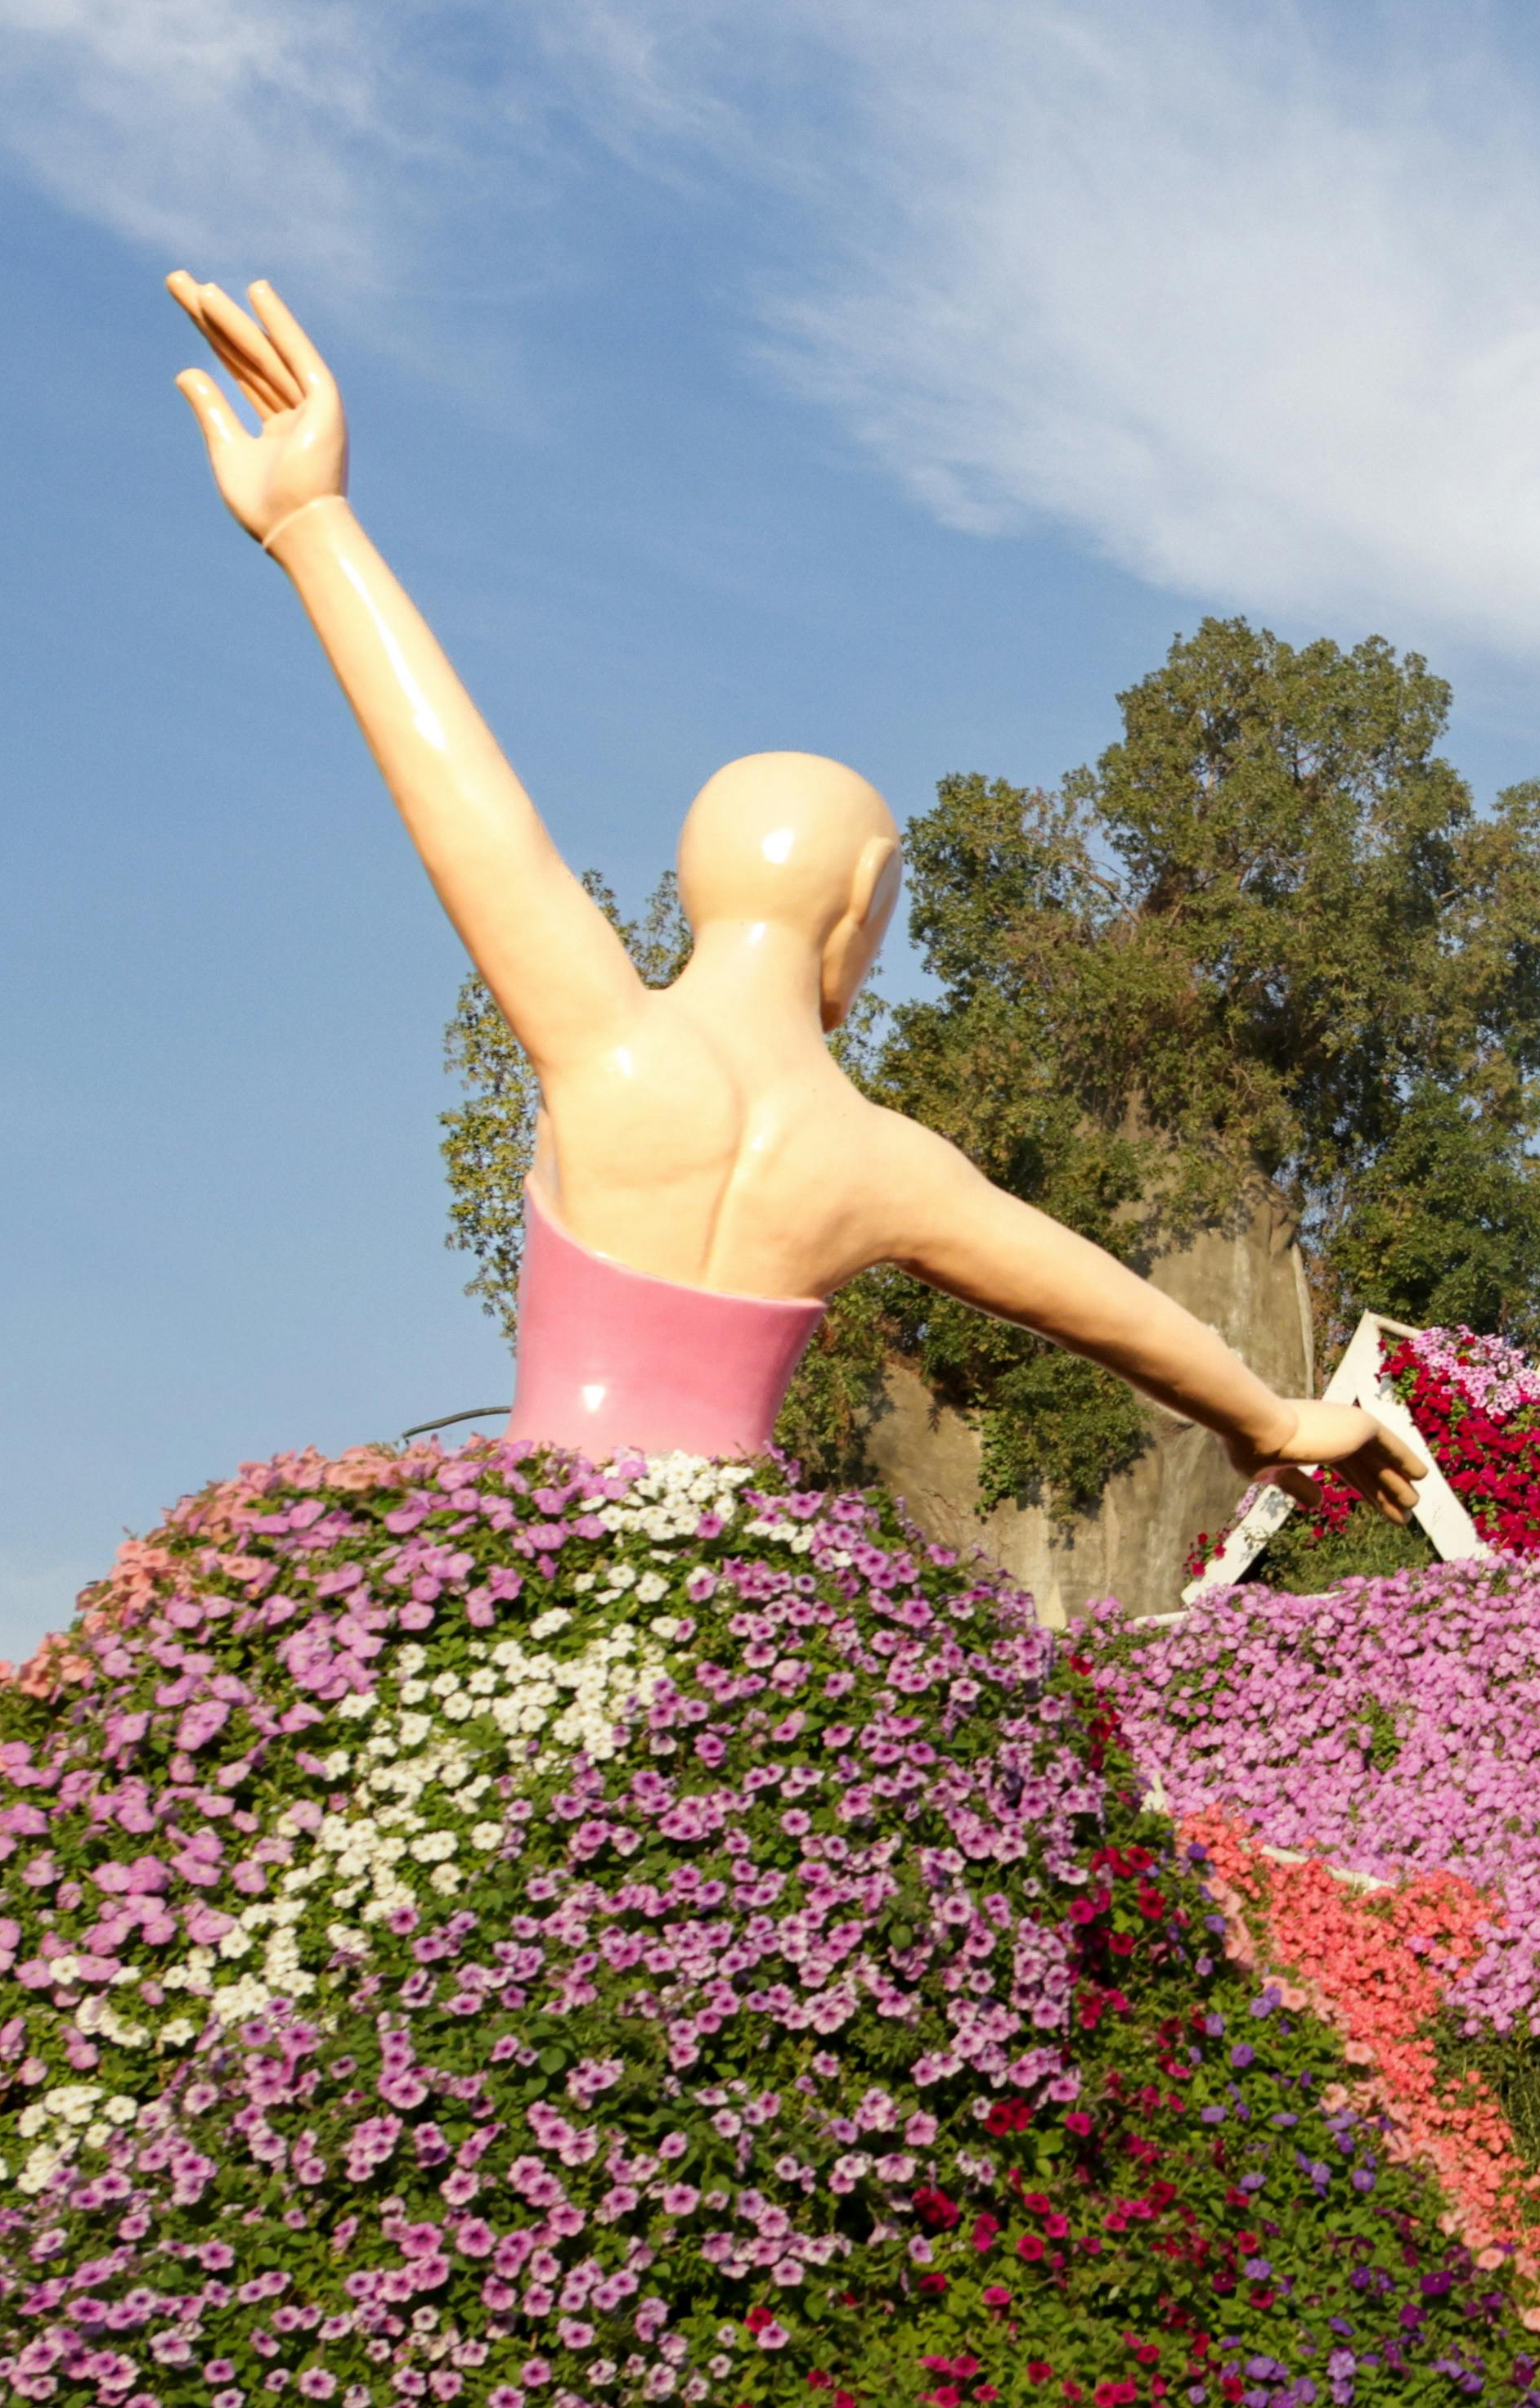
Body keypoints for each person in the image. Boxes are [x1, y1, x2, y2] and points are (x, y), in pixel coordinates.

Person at [164, 269, 1439, 1501]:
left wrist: (314, 528)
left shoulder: (612, 1048)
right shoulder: (882, 1167)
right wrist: (1272, 1418)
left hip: (527, 1582)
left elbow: (472, 807)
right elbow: (1109, 1303)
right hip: (742, 1632)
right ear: (866, 900)